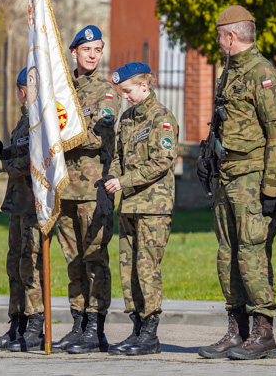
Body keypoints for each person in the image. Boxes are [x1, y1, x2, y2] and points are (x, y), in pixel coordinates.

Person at [196, 5, 276, 361]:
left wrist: (271, 189)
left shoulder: (261, 72)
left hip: (251, 179)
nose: (219, 42)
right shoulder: (230, 71)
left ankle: (263, 332)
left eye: (220, 36)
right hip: (227, 176)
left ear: (231, 36)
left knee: (252, 254)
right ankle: (236, 330)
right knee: (228, 254)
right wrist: (208, 158)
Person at [101, 62, 178, 356]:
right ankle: (136, 327)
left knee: (147, 269)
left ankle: (150, 332)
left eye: (128, 91)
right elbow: (120, 155)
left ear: (145, 86)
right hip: (130, 205)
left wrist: (123, 180)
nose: (125, 97)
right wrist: (112, 176)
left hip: (153, 207)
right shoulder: (128, 119)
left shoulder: (162, 119)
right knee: (128, 269)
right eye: (122, 93)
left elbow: (162, 161)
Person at [54, 25, 116, 353]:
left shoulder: (105, 90)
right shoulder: (62, 89)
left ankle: (96, 327)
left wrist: (66, 138)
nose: (93, 55)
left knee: (95, 258)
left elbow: (101, 135)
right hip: (65, 187)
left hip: (93, 188)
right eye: (87, 50)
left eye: (98, 50)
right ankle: (77, 324)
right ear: (74, 52)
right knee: (73, 260)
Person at [0, 68, 45, 352]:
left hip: (34, 204)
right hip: (18, 204)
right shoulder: (24, 121)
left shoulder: (42, 120)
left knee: (31, 266)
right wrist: (2, 152)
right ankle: (17, 323)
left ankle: (35, 325)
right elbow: (22, 152)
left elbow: (37, 160)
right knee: (15, 266)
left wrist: (3, 165)